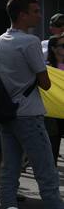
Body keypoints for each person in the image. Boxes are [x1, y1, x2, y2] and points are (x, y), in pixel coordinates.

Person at [0, 0, 64, 209]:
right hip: (30, 115)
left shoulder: (0, 40)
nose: (39, 15)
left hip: (7, 116)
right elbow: (45, 82)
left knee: (9, 178)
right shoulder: (31, 42)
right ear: (22, 14)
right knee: (47, 177)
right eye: (34, 11)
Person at [45, 36, 64, 166]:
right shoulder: (47, 68)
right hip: (52, 111)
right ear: (53, 49)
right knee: (53, 141)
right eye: (62, 46)